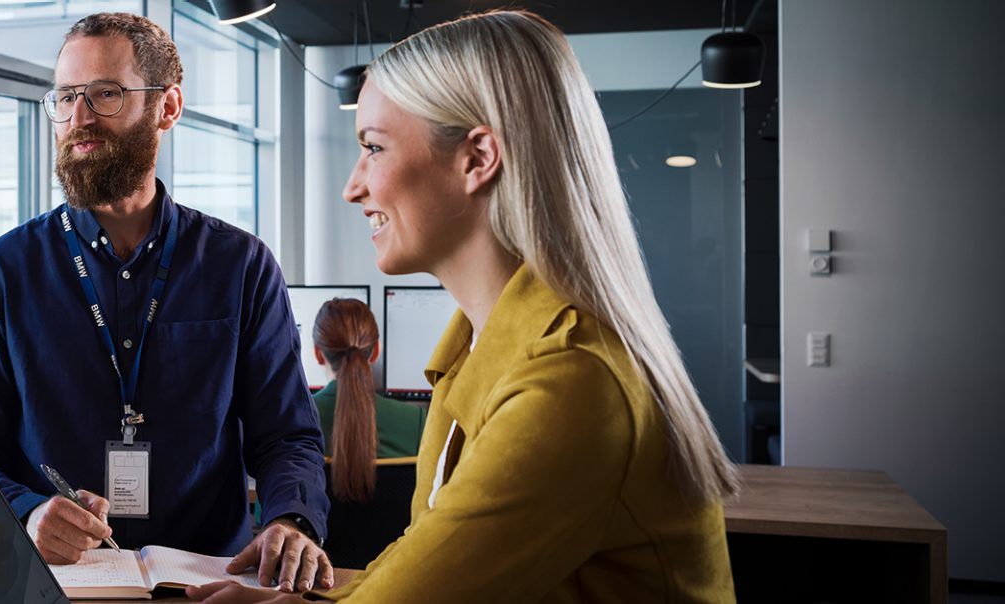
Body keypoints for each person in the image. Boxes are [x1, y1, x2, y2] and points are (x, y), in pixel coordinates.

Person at [188, 10, 738, 603]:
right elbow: (420, 561)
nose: (353, 186)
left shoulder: (571, 380)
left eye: (373, 147)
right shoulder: (475, 351)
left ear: (477, 159)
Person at [0, 12, 335, 594]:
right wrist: (27, 512)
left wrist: (291, 520)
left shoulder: (241, 266)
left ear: (167, 108)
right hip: (55, 587)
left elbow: (286, 436)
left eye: (104, 94)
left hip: (211, 585)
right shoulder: (0, 275)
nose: (78, 118)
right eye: (68, 96)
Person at [308, 297, 426, 503]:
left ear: (318, 354)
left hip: (316, 536)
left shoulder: (295, 419)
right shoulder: (417, 421)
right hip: (401, 536)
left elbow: (270, 514)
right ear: (375, 352)